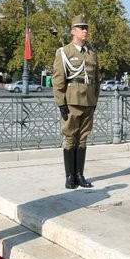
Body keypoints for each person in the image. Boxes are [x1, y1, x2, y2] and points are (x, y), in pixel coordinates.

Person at [53, 14, 100, 189]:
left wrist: (95, 99)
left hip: (88, 100)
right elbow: (58, 79)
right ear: (73, 31)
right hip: (71, 100)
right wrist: (61, 103)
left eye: (86, 27)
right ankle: (69, 176)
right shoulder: (64, 52)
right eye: (81, 28)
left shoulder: (92, 52)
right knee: (70, 138)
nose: (85, 30)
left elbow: (96, 79)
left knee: (83, 139)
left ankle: (80, 174)